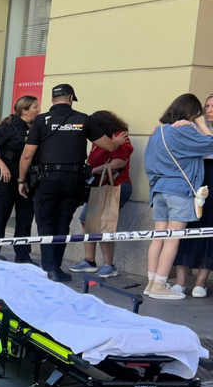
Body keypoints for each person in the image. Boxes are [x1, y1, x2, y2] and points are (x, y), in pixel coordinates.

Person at [18, 84, 128, 282]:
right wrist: (118, 142)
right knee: (62, 224)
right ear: (71, 99)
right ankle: (56, 269)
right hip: (72, 181)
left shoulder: (41, 121)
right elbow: (108, 146)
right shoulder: (83, 119)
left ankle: (49, 268)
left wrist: (21, 180)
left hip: (46, 180)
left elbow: (27, 155)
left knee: (45, 224)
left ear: (52, 101)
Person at [143, 93, 213, 300]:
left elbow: (149, 162)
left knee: (158, 238)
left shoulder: (159, 131)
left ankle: (150, 283)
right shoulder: (185, 130)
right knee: (173, 240)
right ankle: (160, 284)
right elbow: (210, 143)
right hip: (180, 190)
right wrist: (200, 123)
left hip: (159, 188)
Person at [67, 110, 134, 278]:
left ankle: (109, 265)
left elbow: (118, 163)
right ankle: (89, 261)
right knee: (86, 221)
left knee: (104, 224)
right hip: (98, 186)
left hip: (114, 186)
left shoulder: (119, 136)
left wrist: (91, 171)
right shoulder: (99, 140)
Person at [0, 95, 39, 264]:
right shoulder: (8, 127)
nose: (39, 110)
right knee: (0, 216)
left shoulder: (37, 127)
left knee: (25, 218)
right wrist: (2, 166)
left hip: (27, 178)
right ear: (24, 110)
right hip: (5, 178)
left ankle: (22, 255)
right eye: (35, 107)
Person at [173, 94, 213, 297]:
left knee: (209, 230)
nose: (209, 110)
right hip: (195, 179)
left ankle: (201, 282)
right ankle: (180, 281)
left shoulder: (203, 129)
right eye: (206, 106)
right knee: (188, 225)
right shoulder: (193, 127)